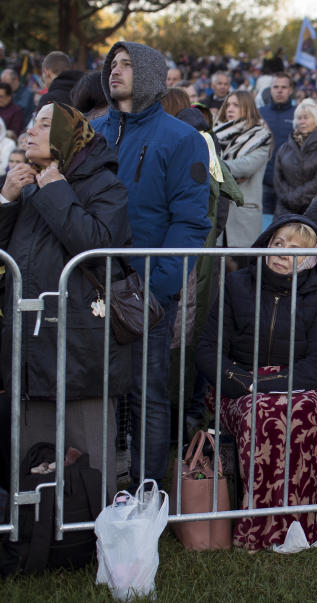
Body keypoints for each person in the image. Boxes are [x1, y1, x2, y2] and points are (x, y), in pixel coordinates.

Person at [93, 41, 211, 483]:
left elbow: (191, 223)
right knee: (95, 394)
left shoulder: (182, 139)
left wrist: (157, 288)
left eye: (125, 65)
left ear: (147, 75)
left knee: (148, 395)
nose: (114, 72)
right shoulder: (92, 130)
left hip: (148, 294)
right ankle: (96, 491)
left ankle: (148, 491)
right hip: (91, 289)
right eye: (112, 65)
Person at [0, 102, 131, 496]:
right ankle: (39, 536)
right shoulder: (30, 183)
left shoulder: (103, 185)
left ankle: (93, 531)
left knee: (89, 449)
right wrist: (6, 199)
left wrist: (56, 192)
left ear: (66, 136)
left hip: (80, 343)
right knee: (34, 452)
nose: (30, 132)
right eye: (33, 124)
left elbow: (95, 245)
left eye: (44, 125)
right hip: (32, 339)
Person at [196, 216, 317, 551]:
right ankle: (257, 524)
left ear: (307, 261)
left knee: (300, 412)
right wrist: (243, 382)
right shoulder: (237, 285)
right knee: (260, 413)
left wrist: (265, 385)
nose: (282, 253)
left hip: (299, 383)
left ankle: (298, 519)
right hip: (239, 381)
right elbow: (207, 349)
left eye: (294, 249)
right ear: (266, 245)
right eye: (278, 244)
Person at [213, 90, 273, 247]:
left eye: (236, 105)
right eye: (228, 105)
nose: (230, 109)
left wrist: (214, 166)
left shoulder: (261, 137)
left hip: (243, 217)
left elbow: (246, 166)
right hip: (217, 213)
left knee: (241, 269)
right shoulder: (215, 134)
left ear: (248, 107)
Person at [274, 98, 317, 218]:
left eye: (306, 117)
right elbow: (278, 179)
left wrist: (294, 197)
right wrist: (288, 198)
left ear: (316, 119)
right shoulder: (284, 148)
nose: (302, 121)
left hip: (313, 210)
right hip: (284, 210)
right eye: (299, 118)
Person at [259, 72, 296, 217]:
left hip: (290, 184)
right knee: (263, 227)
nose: (279, 90)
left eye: (283, 87)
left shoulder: (298, 114)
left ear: (290, 90)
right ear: (270, 89)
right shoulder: (260, 114)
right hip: (264, 182)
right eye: (276, 87)